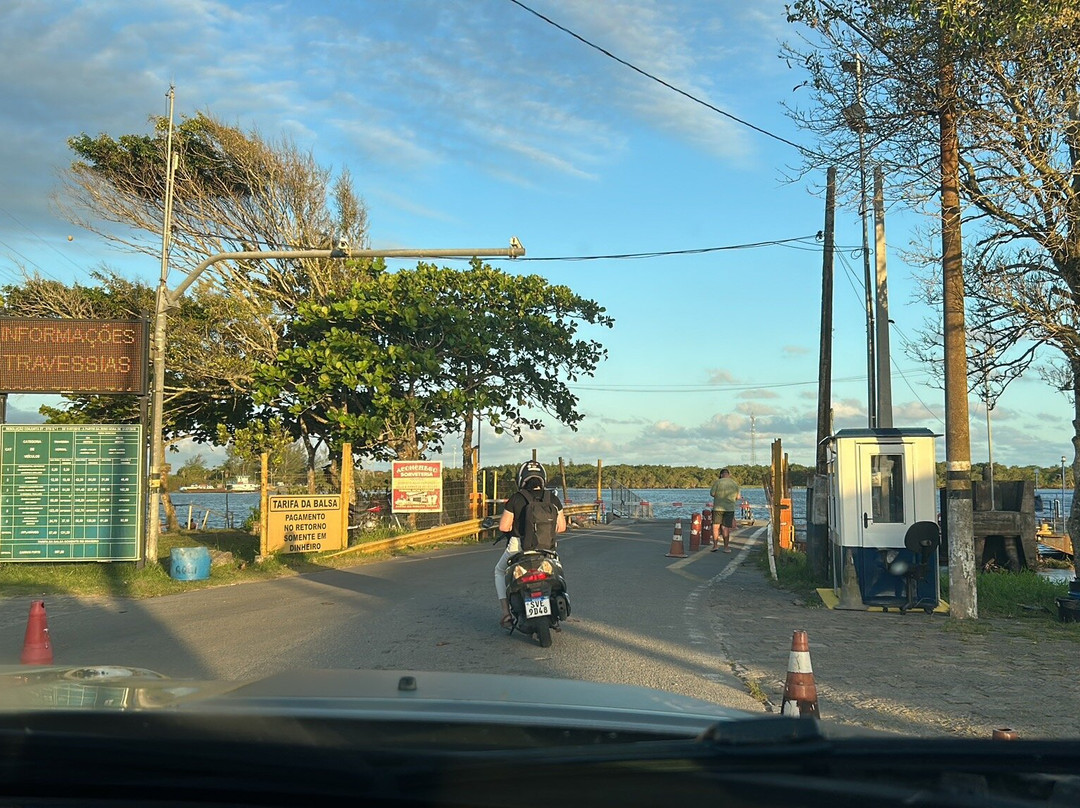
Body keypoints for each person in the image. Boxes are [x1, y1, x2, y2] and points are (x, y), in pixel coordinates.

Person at [495, 460, 567, 628]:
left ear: (521, 479)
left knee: (499, 572)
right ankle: (559, 606)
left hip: (518, 548)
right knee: (557, 575)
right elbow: (562, 527)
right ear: (543, 478)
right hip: (546, 549)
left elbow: (504, 526)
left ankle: (506, 613)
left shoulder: (516, 498)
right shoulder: (553, 499)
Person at [709, 468, 740, 552]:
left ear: (721, 475)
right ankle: (726, 547)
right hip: (729, 508)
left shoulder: (717, 482)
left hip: (718, 508)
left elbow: (712, 493)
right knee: (725, 528)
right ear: (729, 475)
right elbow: (738, 497)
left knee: (715, 526)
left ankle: (715, 546)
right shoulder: (734, 483)